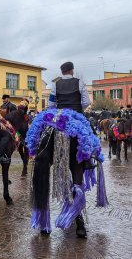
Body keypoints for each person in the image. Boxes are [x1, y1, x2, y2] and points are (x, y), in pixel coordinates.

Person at [48, 61, 91, 237]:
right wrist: (77, 110)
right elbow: (86, 102)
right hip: (76, 119)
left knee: (45, 134)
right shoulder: (79, 82)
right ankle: (88, 160)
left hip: (60, 121)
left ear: (61, 71)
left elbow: (51, 106)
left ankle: (45, 156)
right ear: (72, 71)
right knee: (89, 138)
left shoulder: (54, 85)